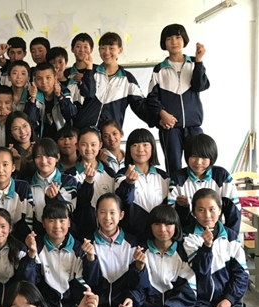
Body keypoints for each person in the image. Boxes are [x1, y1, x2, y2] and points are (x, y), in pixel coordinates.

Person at [183, 188, 257, 307]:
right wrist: (206, 247)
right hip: (199, 302)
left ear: (220, 210)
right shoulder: (189, 237)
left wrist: (229, 299)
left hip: (226, 299)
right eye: (200, 210)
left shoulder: (231, 238)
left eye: (212, 209)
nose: (207, 215)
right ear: (193, 212)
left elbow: (241, 274)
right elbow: (200, 270)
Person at [147, 23, 209, 174]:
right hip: (170, 128)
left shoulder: (194, 63)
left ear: (184, 39)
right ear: (164, 43)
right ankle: (175, 189)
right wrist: (162, 114)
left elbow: (200, 86)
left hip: (193, 126)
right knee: (173, 166)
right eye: (169, 39)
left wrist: (199, 61)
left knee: (198, 165)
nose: (174, 42)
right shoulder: (159, 69)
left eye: (178, 37)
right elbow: (152, 98)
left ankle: (198, 190)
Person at [75, 32, 151, 129]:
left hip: (110, 133)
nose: (107, 52)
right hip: (86, 131)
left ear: (120, 50)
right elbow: (87, 93)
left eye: (111, 48)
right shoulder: (92, 73)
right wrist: (89, 69)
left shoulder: (127, 79)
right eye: (103, 48)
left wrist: (159, 119)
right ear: (99, 50)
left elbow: (140, 105)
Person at [168, 133, 241, 235]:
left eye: (204, 157)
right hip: (187, 235)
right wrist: (183, 208)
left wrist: (230, 238)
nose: (198, 162)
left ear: (212, 158)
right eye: (194, 156)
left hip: (217, 234)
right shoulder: (178, 178)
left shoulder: (221, 176)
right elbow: (171, 216)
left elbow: (234, 212)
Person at [115, 129, 169, 243]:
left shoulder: (163, 176)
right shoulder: (122, 174)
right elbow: (124, 201)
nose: (140, 149)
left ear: (152, 148)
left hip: (159, 237)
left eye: (145, 145)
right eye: (135, 145)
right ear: (129, 149)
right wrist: (129, 183)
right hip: (132, 237)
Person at [66, 127, 115, 241]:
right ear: (77, 145)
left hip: (107, 232)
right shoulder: (69, 176)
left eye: (93, 144)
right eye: (84, 144)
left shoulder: (109, 173)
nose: (89, 149)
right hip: (81, 233)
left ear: (100, 145)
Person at [30, 138, 79, 237]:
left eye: (48, 156)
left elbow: (69, 209)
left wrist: (56, 197)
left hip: (62, 235)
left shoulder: (68, 181)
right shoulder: (27, 183)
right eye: (38, 156)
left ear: (57, 157)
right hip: (36, 235)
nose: (43, 161)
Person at [25, 62, 77, 138]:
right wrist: (32, 99)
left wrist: (60, 97)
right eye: (39, 78)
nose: (44, 82)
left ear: (55, 78)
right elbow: (30, 121)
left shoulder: (64, 92)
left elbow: (71, 115)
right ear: (35, 80)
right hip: (41, 138)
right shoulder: (32, 94)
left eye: (48, 78)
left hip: (62, 137)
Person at [5, 111, 38, 181]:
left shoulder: (41, 147)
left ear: (30, 126)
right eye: (16, 128)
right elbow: (9, 181)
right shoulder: (7, 153)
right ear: (10, 133)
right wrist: (17, 161)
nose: (22, 131)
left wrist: (32, 160)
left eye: (25, 126)